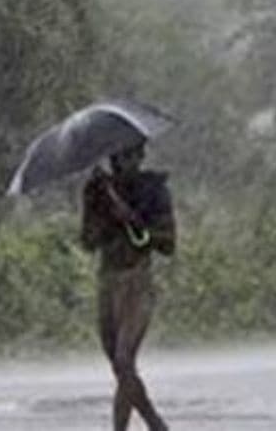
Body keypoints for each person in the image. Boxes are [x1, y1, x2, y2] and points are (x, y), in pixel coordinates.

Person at [80, 141, 175, 431]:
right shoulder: (97, 192)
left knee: (123, 360)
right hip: (108, 281)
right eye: (123, 155)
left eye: (136, 154)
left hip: (138, 280)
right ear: (114, 158)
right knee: (120, 367)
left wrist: (134, 222)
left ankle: (155, 423)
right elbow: (87, 241)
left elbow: (167, 243)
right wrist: (102, 212)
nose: (131, 160)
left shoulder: (154, 191)